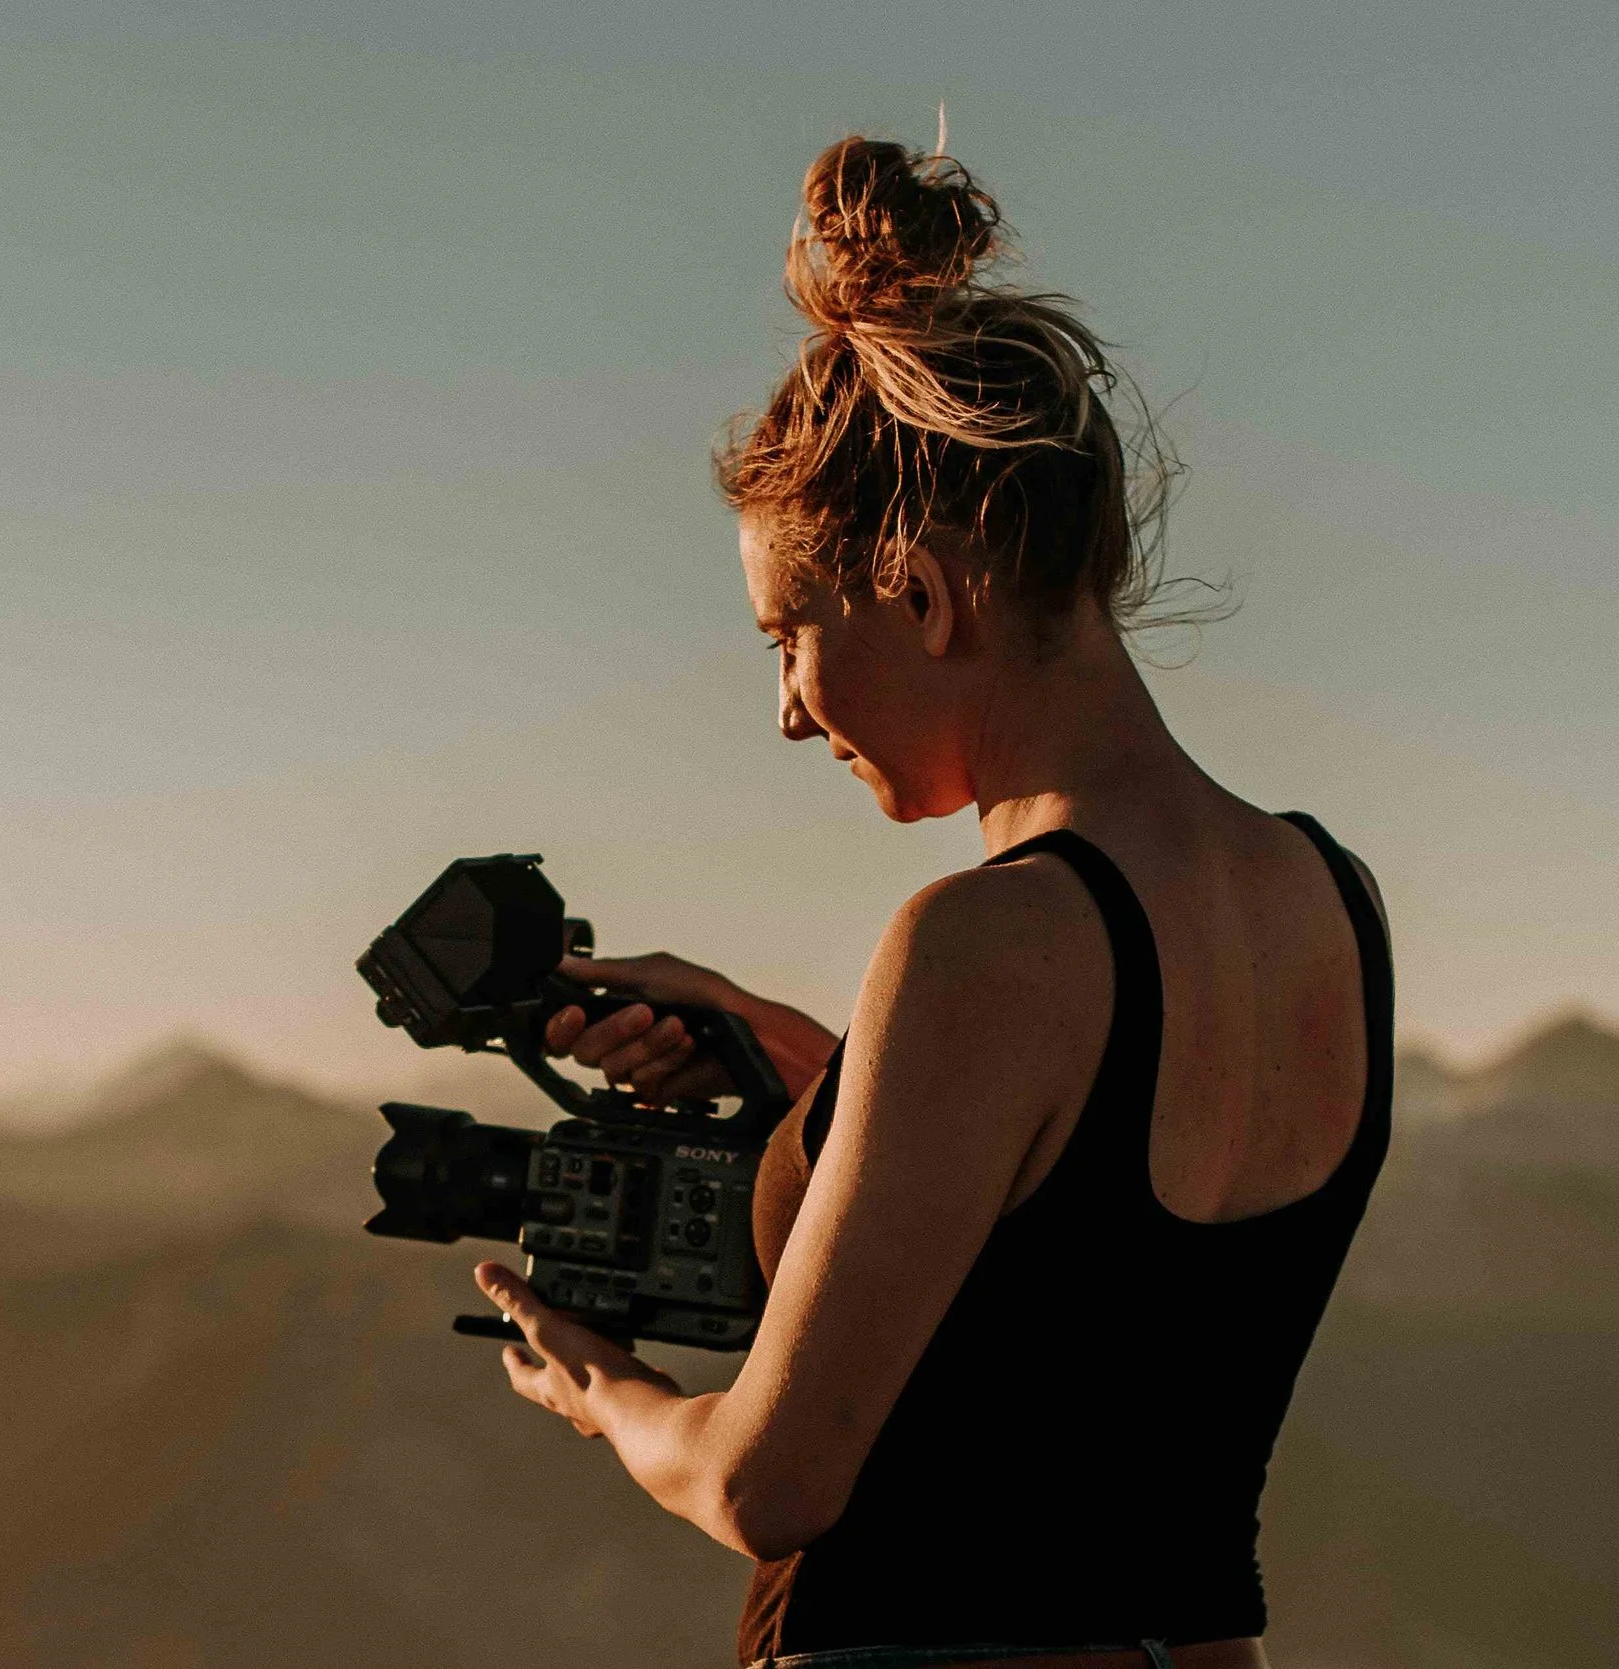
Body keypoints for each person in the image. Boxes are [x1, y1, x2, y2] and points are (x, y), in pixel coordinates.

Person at [469, 134, 1392, 1669]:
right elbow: (1092, 1270)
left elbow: (770, 1483)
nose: (785, 709)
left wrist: (602, 1390)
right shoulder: (1328, 895)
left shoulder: (983, 942)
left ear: (921, 590)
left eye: (789, 635)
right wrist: (813, 1068)